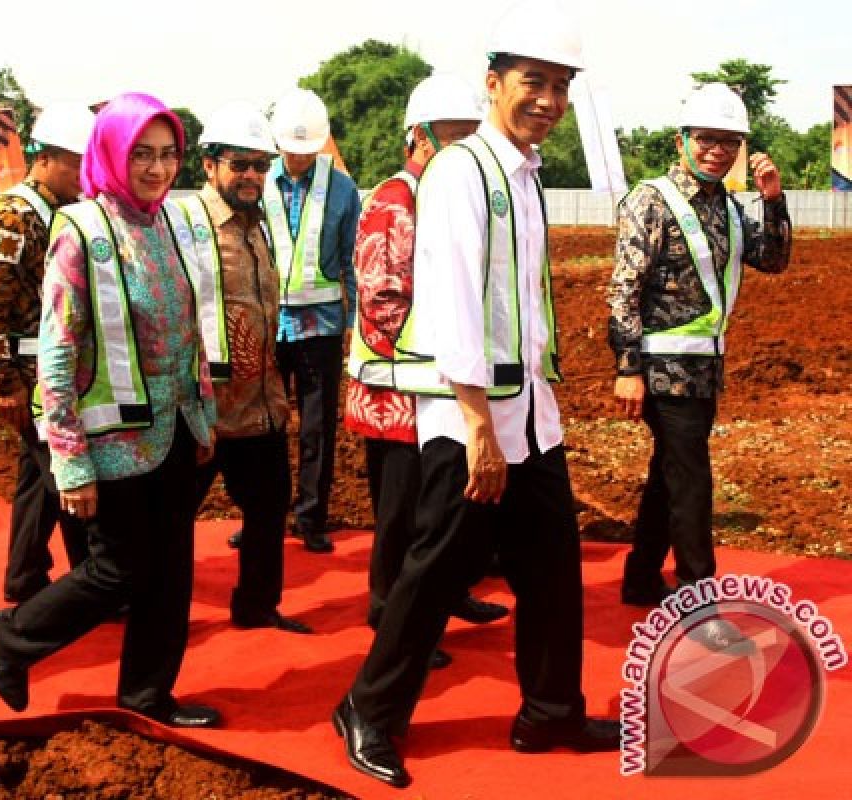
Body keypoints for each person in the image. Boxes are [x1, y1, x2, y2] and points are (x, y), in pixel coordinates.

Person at [332, 5, 619, 788]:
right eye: (534, 82)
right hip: (473, 421)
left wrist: (532, 416)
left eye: (561, 87)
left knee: (554, 567)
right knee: (435, 568)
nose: (548, 100)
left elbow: (517, 306)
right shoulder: (463, 171)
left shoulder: (523, 177)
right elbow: (454, 301)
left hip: (527, 418)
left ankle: (550, 711)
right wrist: (477, 429)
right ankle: (369, 709)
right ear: (494, 83)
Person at [0, 93, 221, 729]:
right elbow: (57, 351)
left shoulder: (172, 221)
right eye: (141, 154)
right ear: (110, 153)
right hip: (111, 439)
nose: (158, 168)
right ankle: (14, 636)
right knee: (117, 571)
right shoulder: (82, 229)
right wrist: (68, 459)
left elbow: (189, 328)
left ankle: (148, 694)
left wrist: (203, 414)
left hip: (175, 431)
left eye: (169, 155)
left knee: (171, 574)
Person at [345, 74, 510, 663]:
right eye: (453, 136)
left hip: (437, 388)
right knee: (402, 513)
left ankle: (444, 595)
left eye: (472, 135)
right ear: (416, 138)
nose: (465, 149)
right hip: (399, 391)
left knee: (442, 508)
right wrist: (450, 351)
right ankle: (389, 611)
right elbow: (381, 301)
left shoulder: (445, 194)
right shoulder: (395, 202)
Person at [609, 84, 791, 610]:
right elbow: (624, 286)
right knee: (692, 480)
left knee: (671, 473)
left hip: (705, 367)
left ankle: (641, 579)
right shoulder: (651, 200)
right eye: (707, 138)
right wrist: (628, 366)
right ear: (681, 139)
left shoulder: (730, 209)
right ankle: (698, 599)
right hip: (663, 367)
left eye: (729, 142)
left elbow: (774, 260)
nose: (718, 150)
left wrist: (773, 200)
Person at [183, 102, 311, 635]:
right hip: (204, 409)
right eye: (240, 163)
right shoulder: (187, 225)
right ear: (209, 165)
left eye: (261, 165)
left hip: (259, 406)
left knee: (269, 507)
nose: (252, 175)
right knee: (170, 520)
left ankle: (258, 607)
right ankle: (155, 613)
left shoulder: (259, 226)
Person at [0, 102, 95, 603]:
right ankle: (93, 582)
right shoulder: (14, 216)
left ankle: (24, 574)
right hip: (30, 372)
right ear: (49, 158)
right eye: (79, 164)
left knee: (37, 479)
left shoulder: (55, 211)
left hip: (47, 367)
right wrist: (4, 382)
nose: (87, 177)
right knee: (66, 470)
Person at [265, 88, 361, 554]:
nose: (298, 158)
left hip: (321, 327)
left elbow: (352, 260)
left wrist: (358, 322)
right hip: (268, 327)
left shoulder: (342, 188)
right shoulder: (258, 183)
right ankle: (264, 516)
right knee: (263, 426)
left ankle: (311, 518)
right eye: (290, 149)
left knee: (316, 428)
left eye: (308, 150)